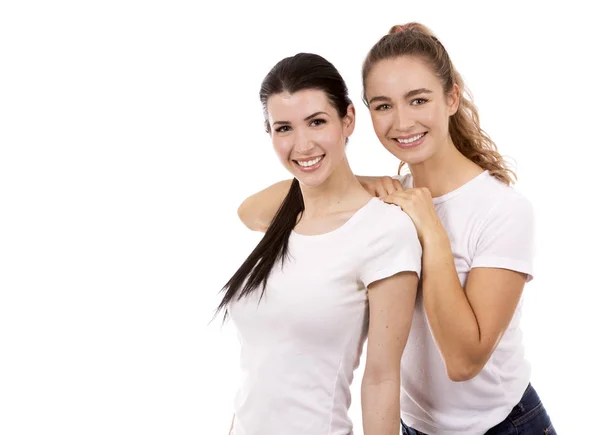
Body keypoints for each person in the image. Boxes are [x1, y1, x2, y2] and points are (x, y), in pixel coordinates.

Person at [237, 24, 555, 435]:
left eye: (418, 100)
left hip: (503, 426)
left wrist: (432, 231)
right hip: (414, 426)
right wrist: (355, 183)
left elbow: (464, 361)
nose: (401, 122)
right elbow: (252, 212)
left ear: (452, 97)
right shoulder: (391, 198)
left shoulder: (503, 210)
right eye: (383, 106)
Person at [217, 52, 422, 435]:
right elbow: (245, 212)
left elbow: (380, 379)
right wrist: (358, 179)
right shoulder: (286, 211)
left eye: (316, 122)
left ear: (348, 120)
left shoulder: (383, 231)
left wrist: (350, 186)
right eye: (284, 128)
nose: (302, 144)